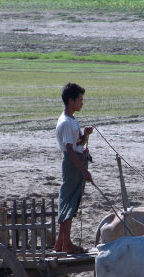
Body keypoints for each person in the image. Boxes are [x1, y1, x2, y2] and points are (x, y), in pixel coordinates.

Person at [53, 82, 94, 254]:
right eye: (79, 100)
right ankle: (67, 244)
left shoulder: (72, 119)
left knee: (70, 202)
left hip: (76, 161)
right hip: (72, 164)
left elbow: (77, 143)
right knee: (69, 202)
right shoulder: (66, 122)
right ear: (71, 101)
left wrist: (85, 135)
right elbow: (69, 150)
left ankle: (60, 244)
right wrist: (84, 171)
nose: (81, 103)